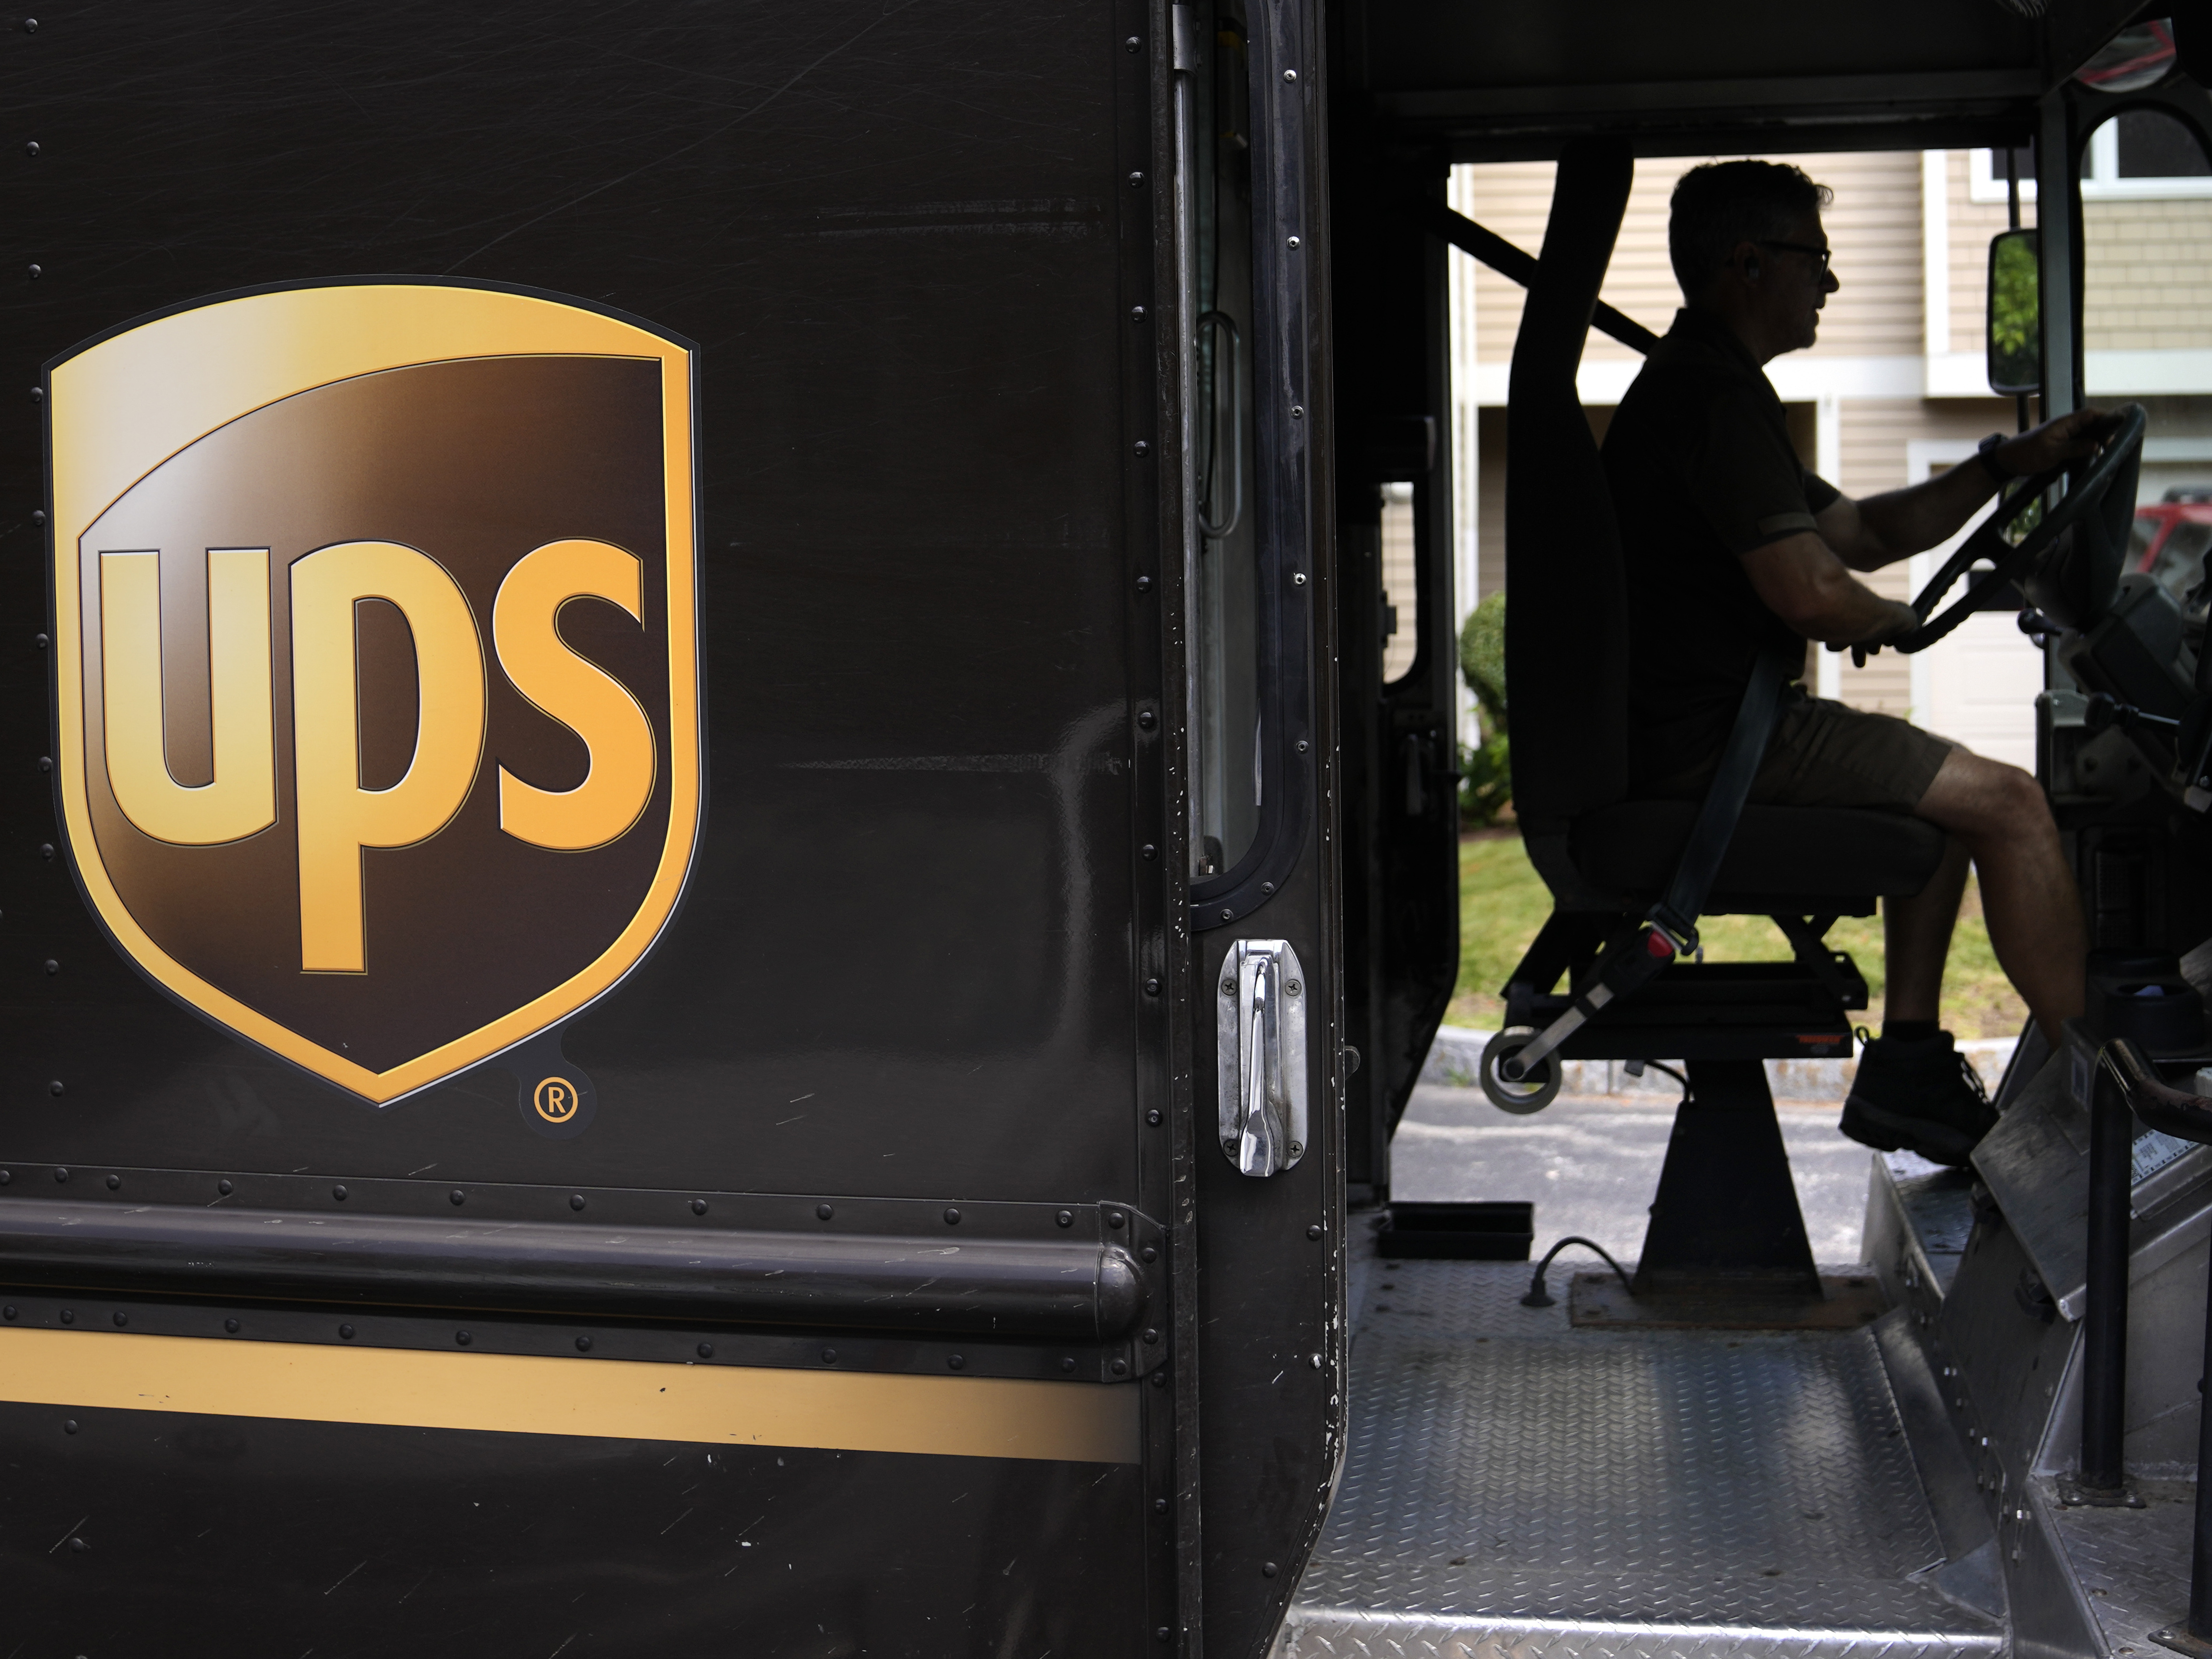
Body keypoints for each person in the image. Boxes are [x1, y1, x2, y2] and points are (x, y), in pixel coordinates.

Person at [1602, 159, 2115, 1166]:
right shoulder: (1711, 396)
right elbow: (1812, 588)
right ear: (1748, 263)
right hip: (1719, 749)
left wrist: (2006, 465)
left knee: (1951, 804)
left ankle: (1910, 1065)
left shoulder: (1714, 390)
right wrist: (1892, 623)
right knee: (2009, 800)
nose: (1829, 285)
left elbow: (1861, 532)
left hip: (1708, 734)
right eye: (1815, 262)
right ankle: (2115, 1093)